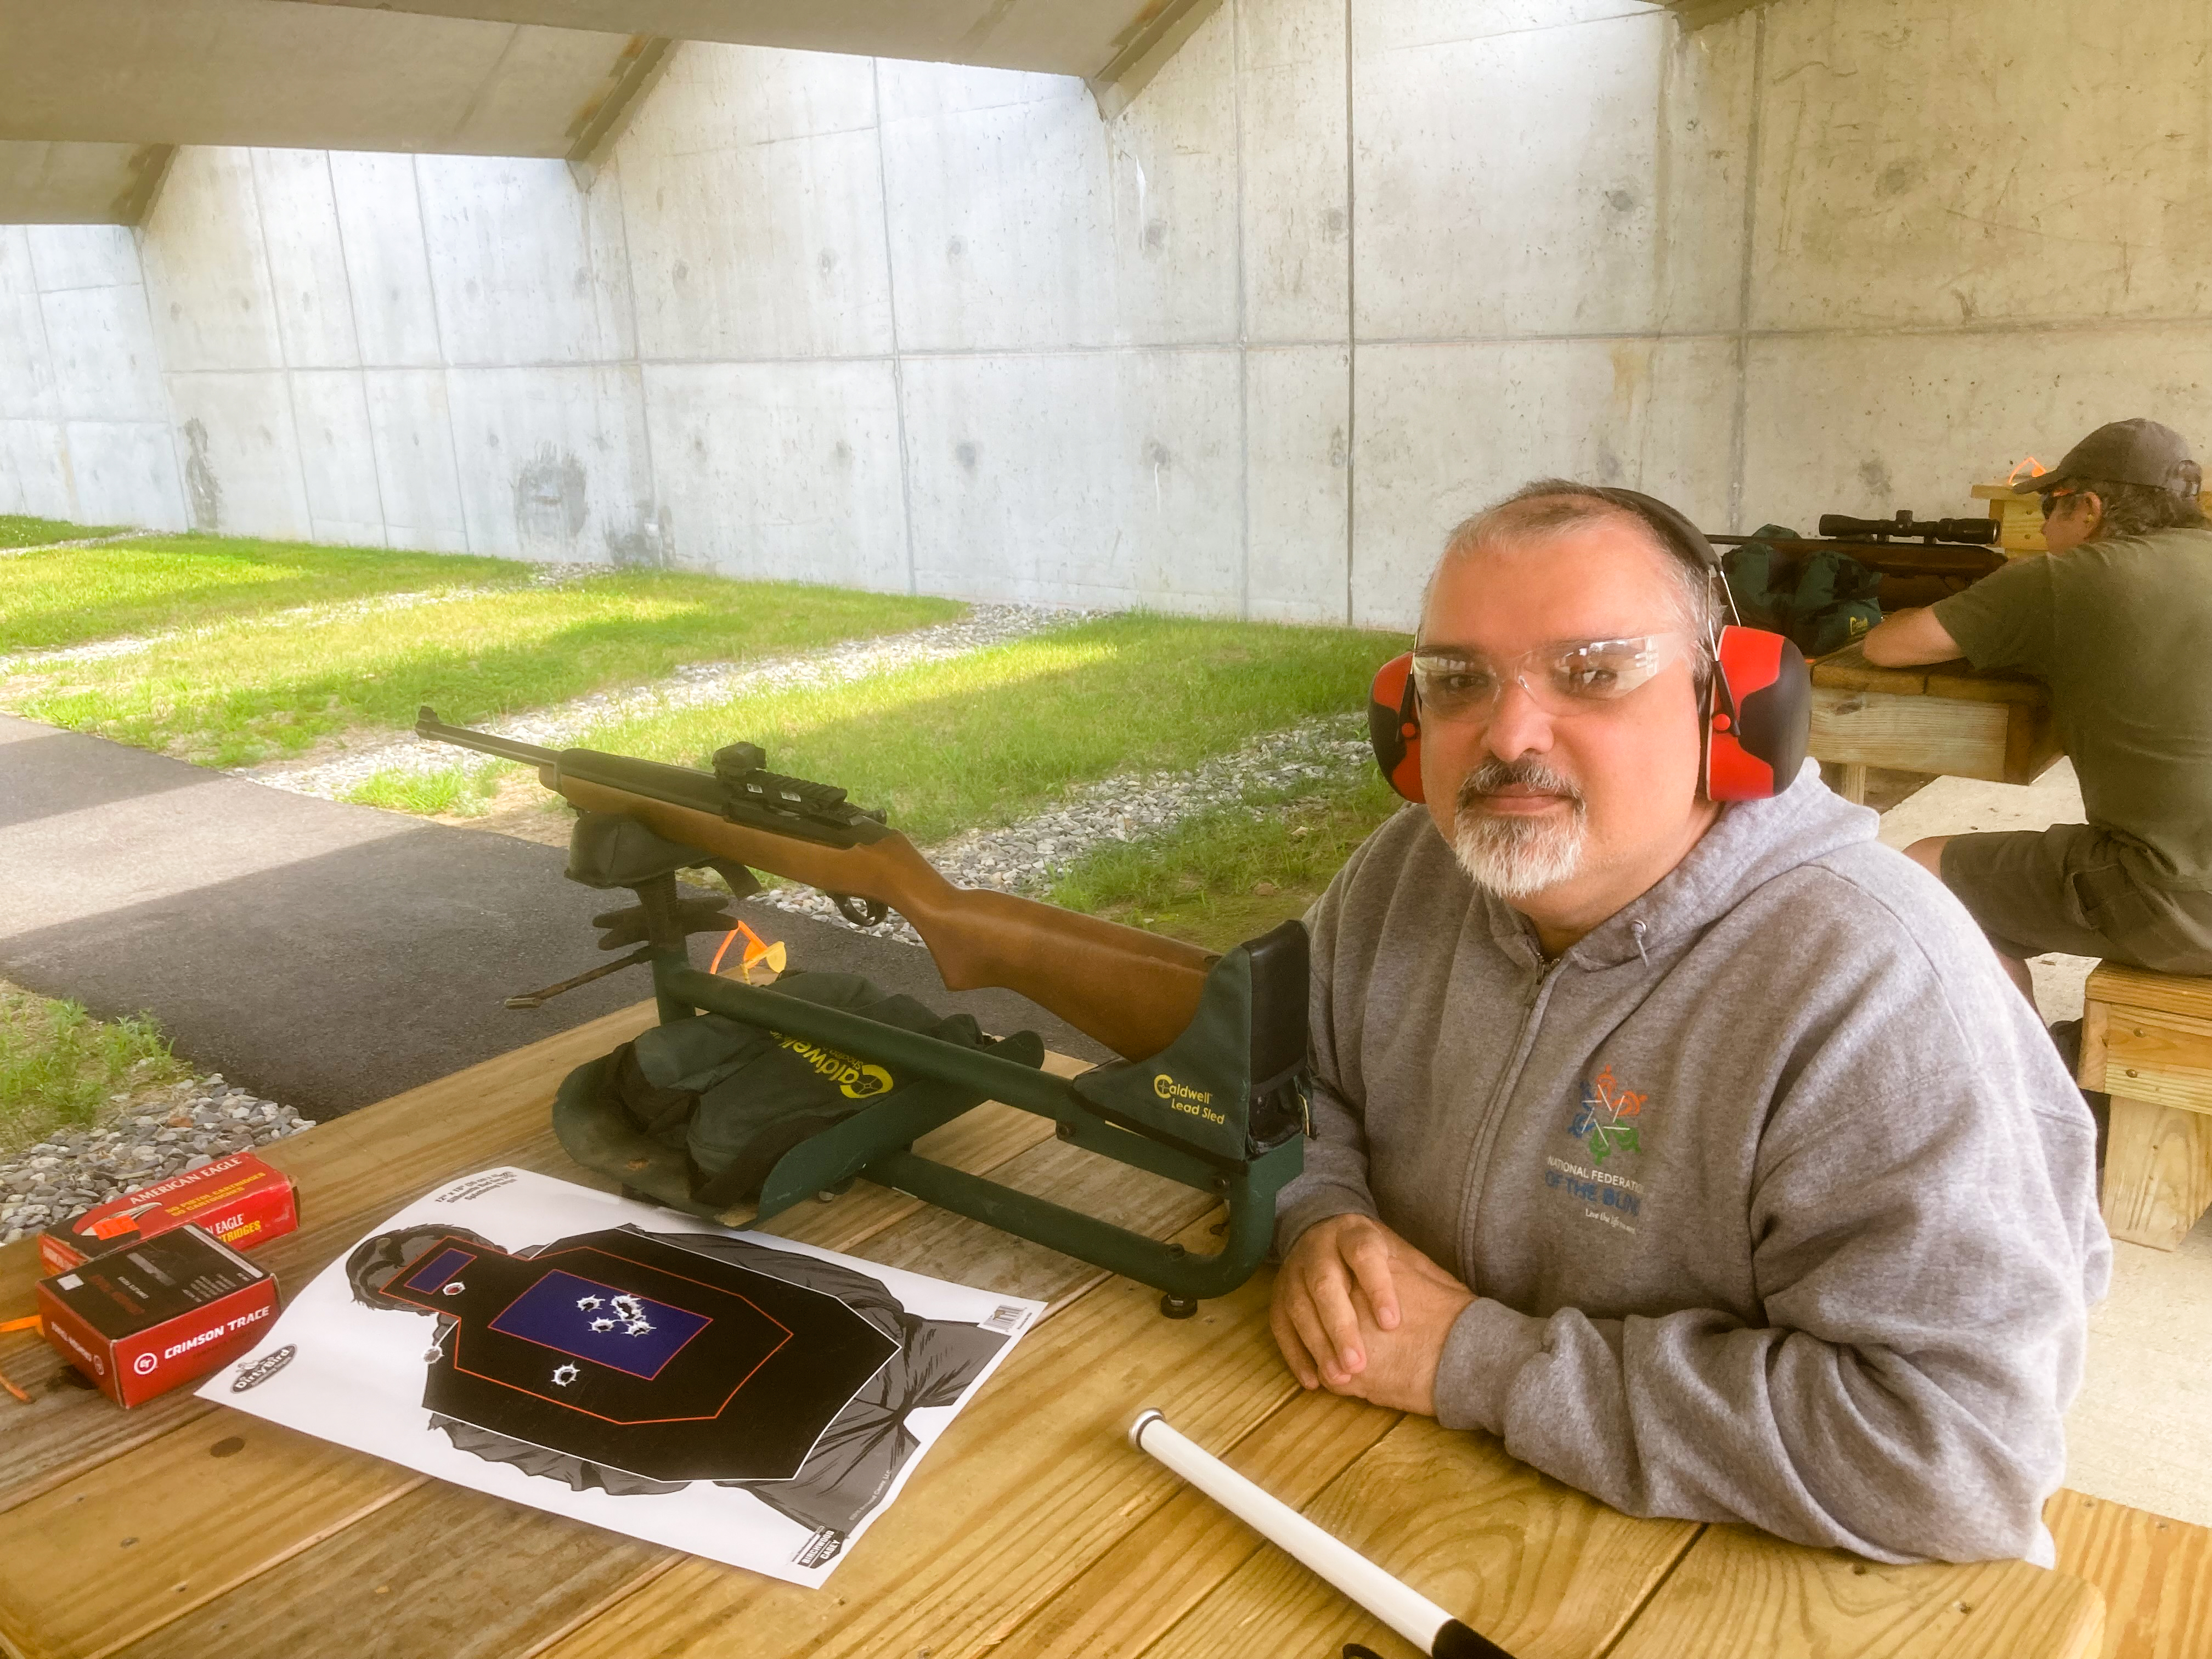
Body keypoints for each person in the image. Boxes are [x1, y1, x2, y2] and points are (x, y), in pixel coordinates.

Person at [1269, 481, 2108, 1566]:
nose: (1509, 730)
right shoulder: (1405, 874)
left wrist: (1479, 1364)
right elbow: (1287, 1070)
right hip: (1413, 1499)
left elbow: (1954, 1454)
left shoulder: (1873, 981)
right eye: (1458, 681)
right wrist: (1321, 1217)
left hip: (1765, 1577)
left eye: (1594, 673)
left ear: (1734, 707)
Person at [1861, 417, 2212, 996]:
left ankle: (2025, 1074)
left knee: (1920, 874)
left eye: (2053, 505)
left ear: (2090, 509)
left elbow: (1887, 646)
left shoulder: (2067, 580)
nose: (2046, 524)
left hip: (2177, 898)